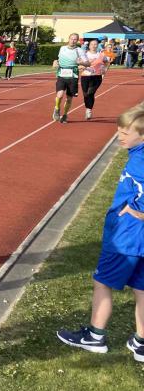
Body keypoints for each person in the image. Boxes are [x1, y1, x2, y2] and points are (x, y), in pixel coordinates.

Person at [57, 105, 144, 363]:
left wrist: (136, 211)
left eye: (126, 132)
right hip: (137, 238)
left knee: (102, 282)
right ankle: (141, 342)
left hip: (126, 237)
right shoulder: (137, 155)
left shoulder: (139, 161)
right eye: (119, 130)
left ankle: (95, 336)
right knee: (141, 288)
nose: (120, 136)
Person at [52, 33, 84, 124]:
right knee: (60, 95)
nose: (73, 41)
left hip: (73, 76)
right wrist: (55, 62)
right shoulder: (62, 48)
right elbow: (58, 59)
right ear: (68, 39)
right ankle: (57, 109)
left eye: (75, 39)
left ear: (77, 41)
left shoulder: (79, 50)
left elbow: (86, 62)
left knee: (69, 98)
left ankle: (65, 115)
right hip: (61, 75)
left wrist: (82, 64)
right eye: (71, 39)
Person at [78, 38, 110, 120]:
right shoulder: (84, 54)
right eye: (92, 44)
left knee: (90, 93)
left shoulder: (101, 55)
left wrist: (105, 69)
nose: (93, 46)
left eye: (95, 44)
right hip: (85, 76)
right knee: (85, 94)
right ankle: (87, 108)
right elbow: (79, 64)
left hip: (96, 77)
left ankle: (89, 110)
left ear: (97, 45)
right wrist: (80, 67)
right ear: (89, 46)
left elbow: (107, 62)